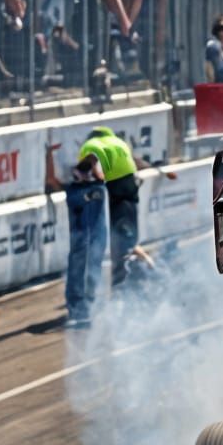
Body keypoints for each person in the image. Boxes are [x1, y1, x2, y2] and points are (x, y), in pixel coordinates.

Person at [47, 139, 106, 330]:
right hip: (81, 241)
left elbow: (96, 165)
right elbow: (52, 180)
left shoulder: (97, 186)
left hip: (95, 240)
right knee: (78, 274)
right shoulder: (76, 190)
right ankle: (77, 311)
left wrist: (92, 160)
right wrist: (49, 156)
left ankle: (89, 309)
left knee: (92, 274)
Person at [78, 124, 143, 293]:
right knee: (129, 233)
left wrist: (99, 178)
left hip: (112, 186)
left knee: (117, 237)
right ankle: (136, 268)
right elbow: (136, 161)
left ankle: (122, 282)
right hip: (130, 185)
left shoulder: (89, 146)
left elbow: (89, 165)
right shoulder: (119, 142)